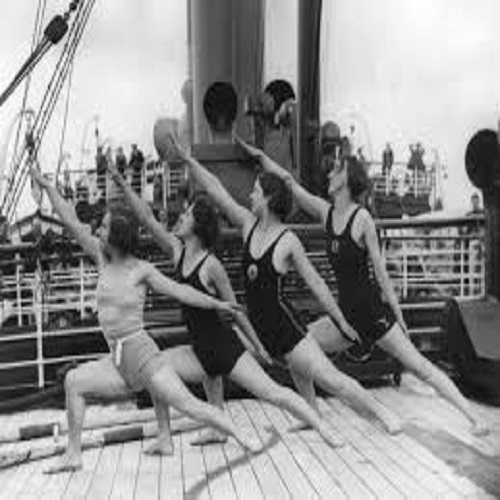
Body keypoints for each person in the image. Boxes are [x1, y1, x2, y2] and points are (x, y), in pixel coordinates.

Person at [238, 141, 489, 437]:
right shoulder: (326, 212)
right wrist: (263, 158)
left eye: (337, 169)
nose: (330, 173)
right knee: (298, 348)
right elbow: (290, 184)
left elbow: (380, 272)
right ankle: (311, 411)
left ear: (347, 179)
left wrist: (398, 313)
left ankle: (473, 417)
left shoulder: (362, 219)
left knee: (420, 367)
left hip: (373, 314)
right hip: (345, 317)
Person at [28, 167, 267, 474]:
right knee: (73, 381)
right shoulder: (101, 257)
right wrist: (48, 186)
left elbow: (182, 291)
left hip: (142, 357)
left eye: (104, 227)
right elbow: (71, 220)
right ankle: (74, 454)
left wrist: (216, 303)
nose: (98, 231)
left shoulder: (142, 270)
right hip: (117, 358)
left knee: (189, 405)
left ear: (117, 235)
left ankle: (239, 433)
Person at [166, 137, 402, 435]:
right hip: (257, 328)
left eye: (255, 192)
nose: (250, 196)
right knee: (216, 356)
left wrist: (341, 321)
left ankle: (383, 413)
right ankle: (259, 419)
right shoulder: (248, 224)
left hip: (286, 330)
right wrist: (189, 161)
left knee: (331, 379)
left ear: (267, 199)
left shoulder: (288, 240)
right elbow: (216, 189)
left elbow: (317, 284)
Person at [108, 162, 345, 448]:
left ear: (198, 226)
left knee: (273, 393)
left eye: (187, 215)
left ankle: (322, 427)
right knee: (154, 371)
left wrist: (257, 347)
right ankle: (168, 438)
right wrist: (123, 185)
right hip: (199, 351)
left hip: (227, 350)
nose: (180, 217)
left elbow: (235, 311)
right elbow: (147, 219)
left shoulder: (212, 266)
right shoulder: (177, 252)